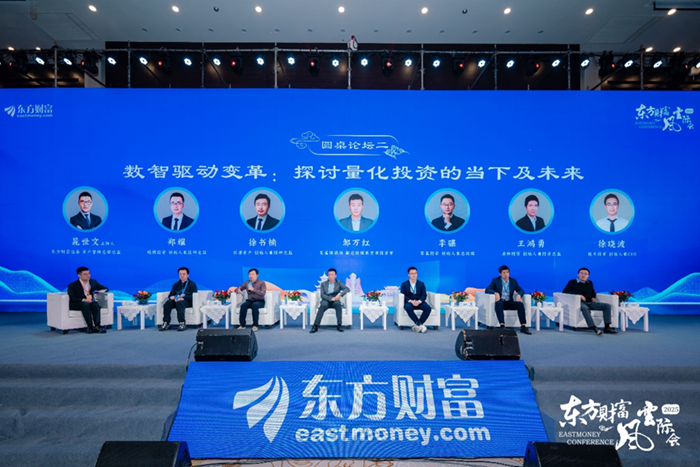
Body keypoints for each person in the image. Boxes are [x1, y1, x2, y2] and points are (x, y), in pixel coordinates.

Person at [563, 267, 617, 335]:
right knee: (585, 308)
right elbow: (565, 291)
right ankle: (593, 328)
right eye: (581, 273)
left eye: (585, 274)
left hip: (590, 303)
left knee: (607, 306)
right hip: (579, 303)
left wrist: (593, 297)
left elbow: (593, 292)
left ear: (588, 275)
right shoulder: (572, 282)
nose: (583, 275)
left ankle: (607, 327)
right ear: (578, 274)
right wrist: (579, 295)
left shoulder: (590, 283)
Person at [485, 265, 531, 334]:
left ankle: (523, 326)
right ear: (500, 274)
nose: (506, 274)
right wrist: (495, 293)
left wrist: (519, 295)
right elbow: (487, 290)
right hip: (500, 302)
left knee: (520, 304)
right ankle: (502, 325)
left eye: (507, 272)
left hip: (509, 302)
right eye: (504, 273)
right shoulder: (495, 280)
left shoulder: (513, 281)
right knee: (498, 304)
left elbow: (521, 290)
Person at [67, 266, 109, 333]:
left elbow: (106, 288)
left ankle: (98, 326)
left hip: (90, 302)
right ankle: (90, 327)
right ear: (79, 275)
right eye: (85, 274)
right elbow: (72, 298)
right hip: (77, 303)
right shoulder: (72, 285)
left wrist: (100, 292)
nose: (88, 275)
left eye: (89, 273)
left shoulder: (93, 282)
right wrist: (84, 300)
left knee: (95, 304)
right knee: (85, 304)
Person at [310, 268, 350, 333]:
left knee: (338, 305)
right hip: (326, 300)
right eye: (329, 275)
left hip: (335, 300)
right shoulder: (323, 284)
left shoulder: (338, 282)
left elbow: (347, 289)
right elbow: (322, 295)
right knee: (323, 305)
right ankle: (315, 326)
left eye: (332, 275)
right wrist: (331, 299)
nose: (330, 276)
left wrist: (340, 294)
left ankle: (339, 325)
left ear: (335, 276)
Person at [160, 267, 198, 331]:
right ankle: (166, 322)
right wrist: (173, 297)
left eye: (184, 274)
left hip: (186, 302)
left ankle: (182, 323)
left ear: (187, 275)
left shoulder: (192, 284)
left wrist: (183, 298)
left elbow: (193, 296)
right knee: (168, 303)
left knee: (180, 303)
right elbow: (171, 295)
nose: (182, 276)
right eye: (180, 274)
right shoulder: (176, 284)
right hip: (176, 300)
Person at [399, 266, 432, 333]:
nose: (414, 275)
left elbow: (424, 295)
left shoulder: (421, 284)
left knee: (428, 308)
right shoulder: (404, 284)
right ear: (408, 275)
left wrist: (419, 301)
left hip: (419, 302)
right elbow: (403, 295)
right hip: (409, 302)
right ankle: (419, 324)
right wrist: (411, 301)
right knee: (407, 307)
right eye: (412, 273)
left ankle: (418, 324)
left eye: (415, 273)